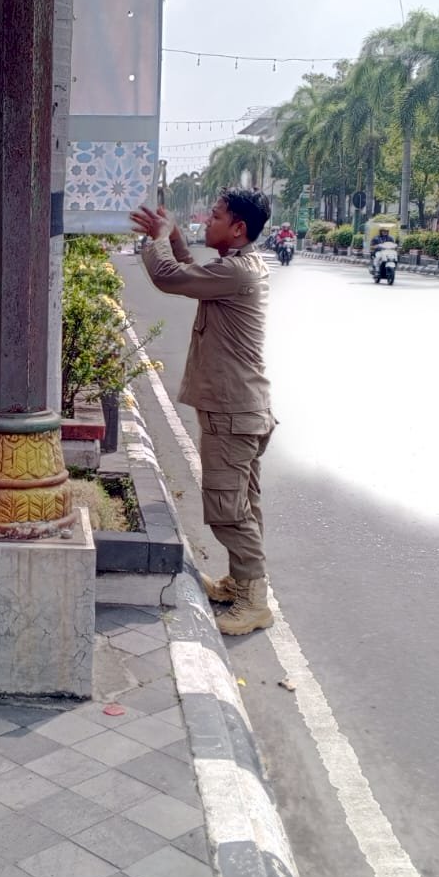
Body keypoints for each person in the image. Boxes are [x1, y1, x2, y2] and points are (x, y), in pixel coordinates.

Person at [130, 190, 277, 637]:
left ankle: (254, 601)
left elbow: (170, 278)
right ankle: (241, 582)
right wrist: (171, 234)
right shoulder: (238, 266)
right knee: (241, 505)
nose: (205, 223)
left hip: (233, 412)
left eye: (214, 217)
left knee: (227, 510)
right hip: (242, 409)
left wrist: (156, 237)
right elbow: (189, 270)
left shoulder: (235, 271)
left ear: (238, 229)